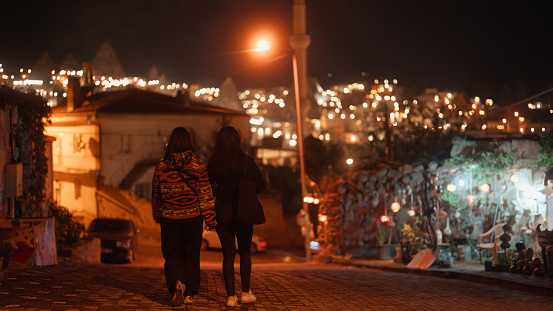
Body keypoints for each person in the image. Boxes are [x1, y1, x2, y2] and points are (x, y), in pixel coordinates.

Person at [151, 127, 217, 306]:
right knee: (191, 255)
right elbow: (205, 193)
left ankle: (176, 283)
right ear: (189, 143)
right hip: (192, 218)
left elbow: (156, 193)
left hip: (169, 218)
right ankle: (189, 294)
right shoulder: (198, 166)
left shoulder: (161, 166)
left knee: (172, 255)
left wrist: (157, 214)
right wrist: (210, 218)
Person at [207, 126, 266, 307]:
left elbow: (208, 187)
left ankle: (231, 297)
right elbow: (261, 185)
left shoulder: (214, 163)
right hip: (244, 212)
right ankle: (246, 292)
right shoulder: (247, 162)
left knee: (228, 255)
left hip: (223, 211)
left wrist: (219, 190)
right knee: (245, 252)